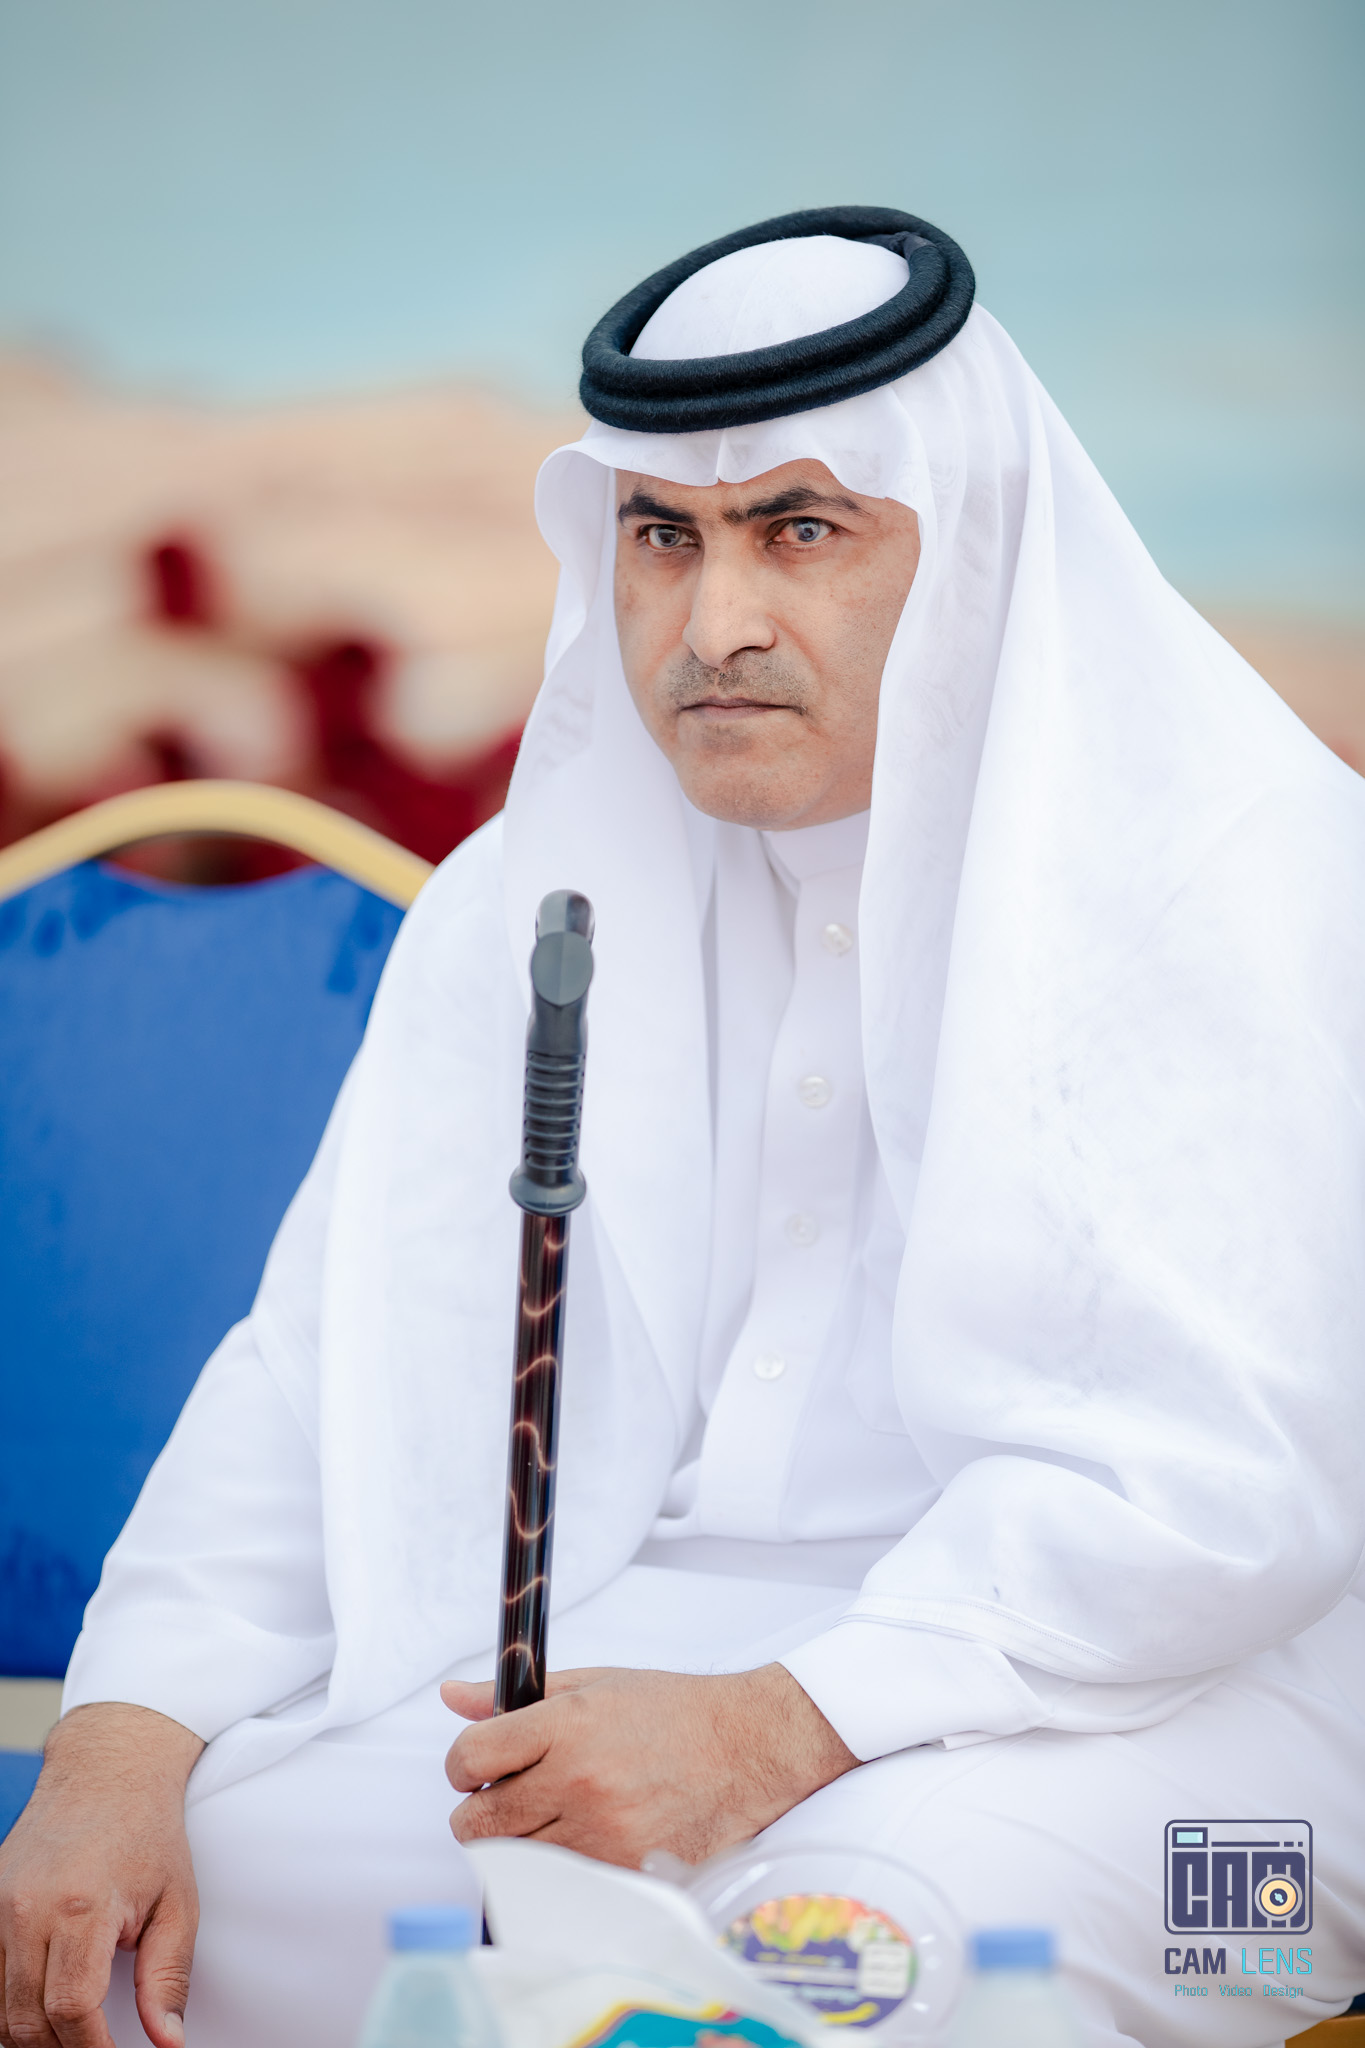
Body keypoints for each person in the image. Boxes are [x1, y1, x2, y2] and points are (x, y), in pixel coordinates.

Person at [1, 207, 1362, 2048]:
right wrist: (116, 1745)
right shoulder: (532, 902)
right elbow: (325, 1373)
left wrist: (776, 1729)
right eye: (663, 537)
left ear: (966, 543)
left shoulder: (1237, 875)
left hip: (1210, 1730)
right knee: (185, 1911)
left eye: (801, 530)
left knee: (850, 1957)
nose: (714, 624)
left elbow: (1231, 1495)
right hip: (651, 1652)